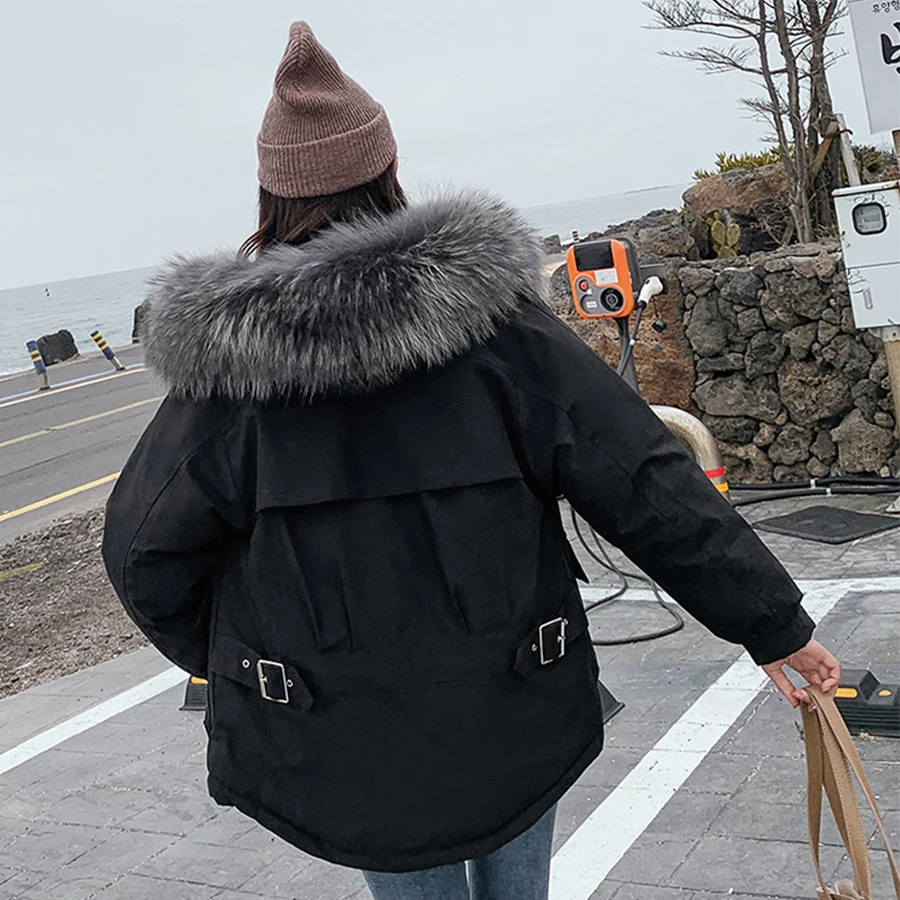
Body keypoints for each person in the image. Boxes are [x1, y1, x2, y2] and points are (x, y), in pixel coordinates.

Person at [102, 21, 841, 900]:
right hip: (516, 693)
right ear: (389, 171)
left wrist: (265, 662)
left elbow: (142, 554)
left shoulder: (231, 384)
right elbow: (646, 481)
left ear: (271, 197)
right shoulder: (498, 332)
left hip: (343, 728)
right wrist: (772, 626)